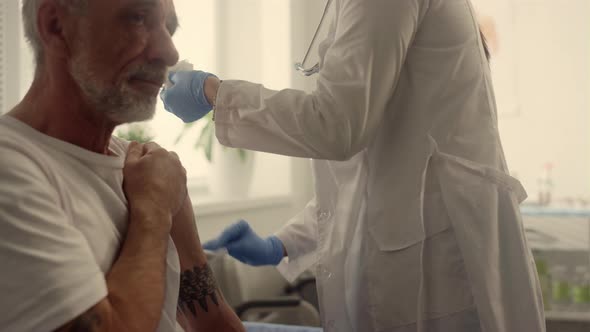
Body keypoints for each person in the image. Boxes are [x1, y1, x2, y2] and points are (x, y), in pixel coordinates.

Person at [162, 0, 547, 331]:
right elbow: (375, 170)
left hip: (441, 273)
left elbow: (338, 127)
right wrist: (283, 244)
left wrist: (214, 92)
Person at [0, 0, 244, 331]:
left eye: (168, 28)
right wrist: (154, 212)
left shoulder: (150, 169)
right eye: (137, 19)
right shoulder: (11, 169)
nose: (168, 53)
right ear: (56, 27)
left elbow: (211, 321)